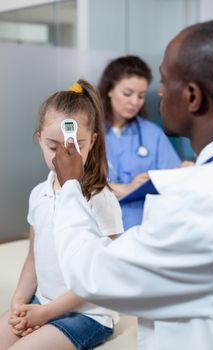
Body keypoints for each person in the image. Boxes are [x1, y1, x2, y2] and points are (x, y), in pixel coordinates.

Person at [51, 19, 213, 350]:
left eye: (164, 82)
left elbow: (94, 275)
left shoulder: (197, 204)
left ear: (192, 96)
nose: (157, 93)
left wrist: (70, 187)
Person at [0, 80, 124, 350]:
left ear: (92, 141)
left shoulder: (100, 199)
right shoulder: (38, 195)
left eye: (75, 146)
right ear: (39, 140)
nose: (63, 157)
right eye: (53, 147)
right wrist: (19, 301)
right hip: (41, 302)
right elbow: (34, 256)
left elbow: (105, 276)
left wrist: (46, 314)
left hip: (87, 314)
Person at [98, 55, 181, 229]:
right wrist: (128, 188)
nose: (135, 102)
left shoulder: (153, 134)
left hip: (143, 229)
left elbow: (173, 183)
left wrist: (180, 174)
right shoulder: (90, 133)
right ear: (109, 89)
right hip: (100, 229)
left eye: (141, 96)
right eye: (127, 93)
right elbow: (77, 186)